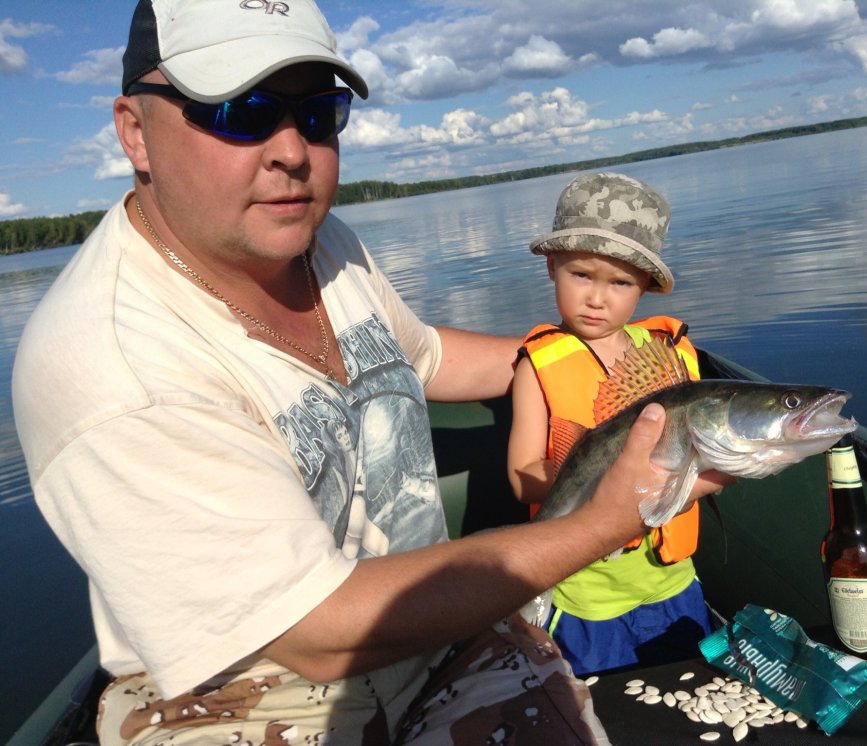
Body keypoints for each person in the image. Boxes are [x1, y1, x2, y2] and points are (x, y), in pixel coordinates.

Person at [12, 2, 726, 743]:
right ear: (135, 130)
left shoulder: (321, 246)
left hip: (434, 633)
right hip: (248, 693)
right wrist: (606, 520)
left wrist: (575, 357)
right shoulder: (115, 365)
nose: (292, 151)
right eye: (239, 110)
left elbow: (426, 357)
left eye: (318, 112)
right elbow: (319, 629)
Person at [507, 172, 734, 676]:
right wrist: (601, 485)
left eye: (620, 282)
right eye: (581, 275)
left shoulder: (674, 354)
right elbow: (523, 475)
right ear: (552, 266)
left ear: (645, 286)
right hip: (585, 593)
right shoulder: (537, 366)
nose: (597, 298)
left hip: (673, 583)